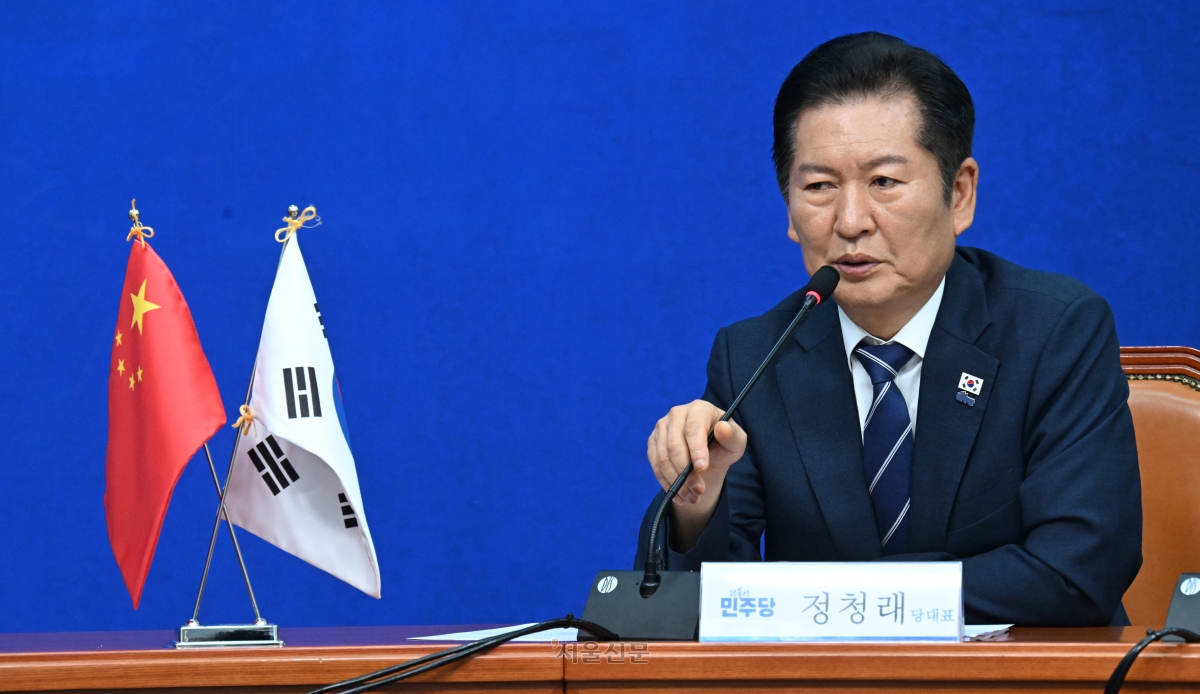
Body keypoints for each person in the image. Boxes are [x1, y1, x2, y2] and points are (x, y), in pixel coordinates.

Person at [635, 32, 1141, 626]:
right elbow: (688, 612)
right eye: (819, 187)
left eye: (884, 182)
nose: (850, 222)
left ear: (959, 194)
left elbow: (1078, 572)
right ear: (789, 209)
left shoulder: (1054, 330)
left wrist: (850, 597)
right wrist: (699, 499)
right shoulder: (755, 355)